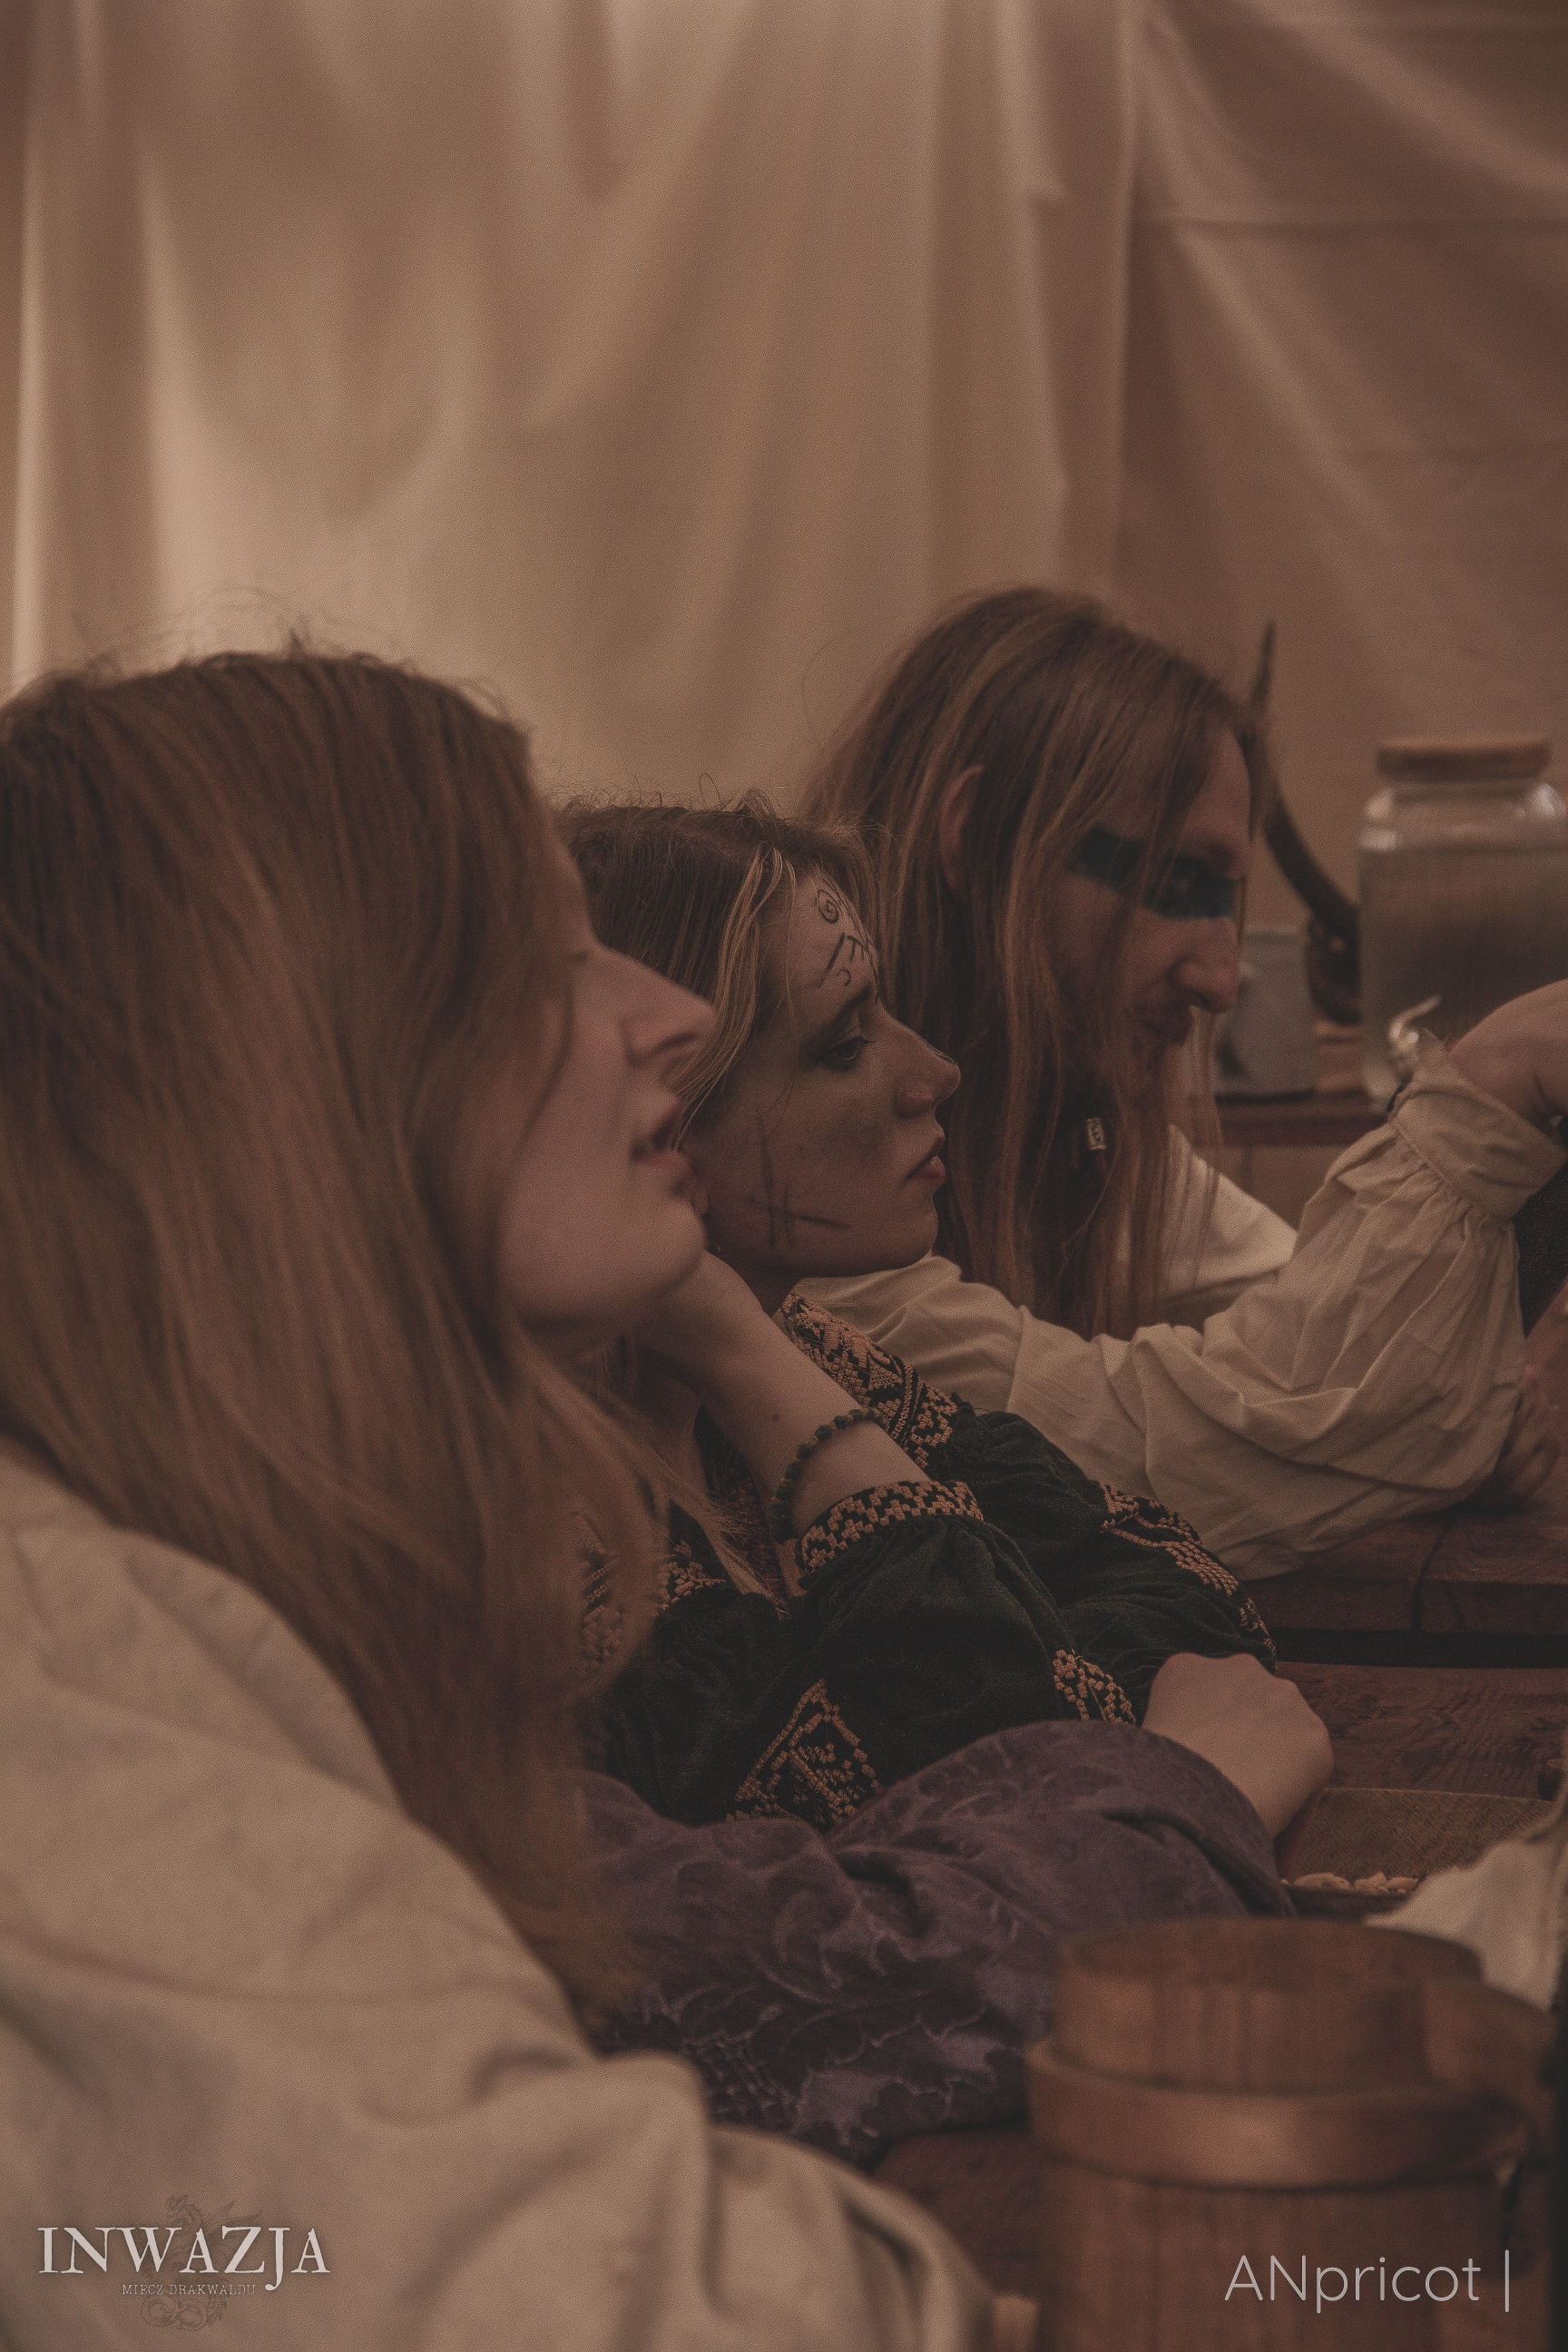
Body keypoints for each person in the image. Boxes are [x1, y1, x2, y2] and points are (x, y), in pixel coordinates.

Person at [0, 650, 1317, 2351]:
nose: (672, 1021)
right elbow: (639, 2261)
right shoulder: (72, 1657)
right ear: (279, 1082)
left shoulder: (293, 1558)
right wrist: (1167, 1785)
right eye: (537, 961)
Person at [563, 798, 1329, 1839]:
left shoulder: (814, 1350)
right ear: (661, 1118)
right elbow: (983, 1794)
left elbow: (1183, 1587)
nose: (933, 1071)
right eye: (844, 1044)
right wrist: (1174, 1765)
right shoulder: (556, 1528)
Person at [798, 585, 1567, 1575]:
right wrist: (1488, 1092)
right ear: (979, 832)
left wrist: (1437, 1407)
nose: (1218, 980)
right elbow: (1123, 1454)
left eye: (1223, 897)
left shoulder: (1080, 1132)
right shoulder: (794, 1162)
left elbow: (1327, 1345)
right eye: (1174, 881)